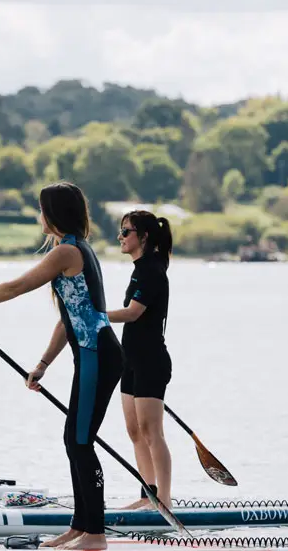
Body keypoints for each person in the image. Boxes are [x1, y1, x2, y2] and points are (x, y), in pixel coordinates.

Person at [0, 182, 122, 551]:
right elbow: (69, 318)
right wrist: (43, 363)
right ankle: (79, 527)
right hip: (94, 354)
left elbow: (16, 286)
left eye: (41, 209)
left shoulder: (67, 251)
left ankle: (95, 535)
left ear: (53, 213)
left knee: (81, 442)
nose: (38, 215)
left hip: (98, 355)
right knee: (74, 439)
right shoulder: (76, 249)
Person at [106, 210, 174, 511]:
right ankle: (148, 495)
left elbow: (133, 313)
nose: (120, 237)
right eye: (121, 231)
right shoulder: (139, 269)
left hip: (151, 361)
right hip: (130, 361)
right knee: (134, 432)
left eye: (126, 232)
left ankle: (164, 500)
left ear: (143, 237)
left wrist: (93, 315)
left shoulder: (152, 270)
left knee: (151, 431)